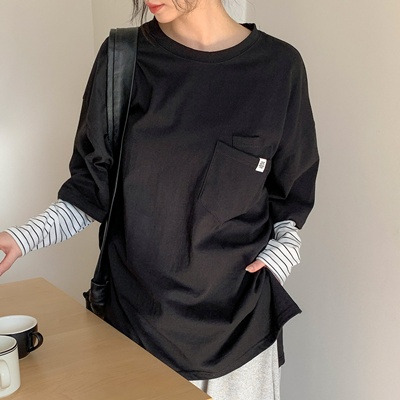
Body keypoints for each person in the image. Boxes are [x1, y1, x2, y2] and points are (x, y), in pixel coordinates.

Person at [0, 1, 319, 399]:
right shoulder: (122, 59)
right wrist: (21, 238)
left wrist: (285, 250)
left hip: (241, 329)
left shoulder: (279, 67)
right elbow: (91, 191)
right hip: (137, 325)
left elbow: (290, 193)